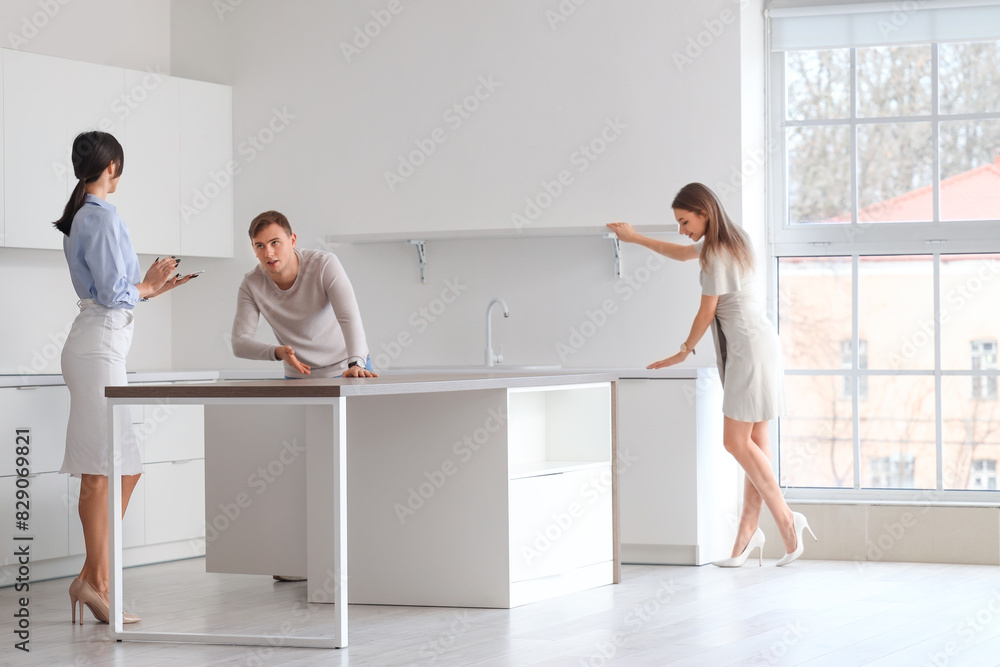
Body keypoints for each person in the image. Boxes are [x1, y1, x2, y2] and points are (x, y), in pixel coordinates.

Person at [607, 182, 816, 567]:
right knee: (755, 442)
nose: (682, 230)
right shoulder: (732, 241)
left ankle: (787, 520)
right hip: (758, 344)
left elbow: (707, 312)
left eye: (685, 221)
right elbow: (679, 253)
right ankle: (746, 535)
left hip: (748, 350)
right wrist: (635, 238)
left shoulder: (716, 254)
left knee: (735, 443)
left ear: (704, 213)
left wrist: (682, 351)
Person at [55, 131, 198, 624]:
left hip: (101, 345)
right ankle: (98, 583)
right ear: (113, 166)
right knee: (100, 469)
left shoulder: (85, 214)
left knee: (124, 468)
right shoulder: (98, 216)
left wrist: (152, 289)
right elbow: (115, 293)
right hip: (97, 348)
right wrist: (148, 284)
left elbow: (115, 292)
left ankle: (90, 577)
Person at [231, 210, 377, 380]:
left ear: (292, 240)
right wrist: (277, 352)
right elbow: (239, 342)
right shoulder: (252, 284)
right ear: (254, 249)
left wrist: (356, 363)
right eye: (260, 246)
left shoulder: (324, 264)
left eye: (275, 243)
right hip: (299, 375)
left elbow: (348, 317)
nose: (268, 253)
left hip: (349, 367)